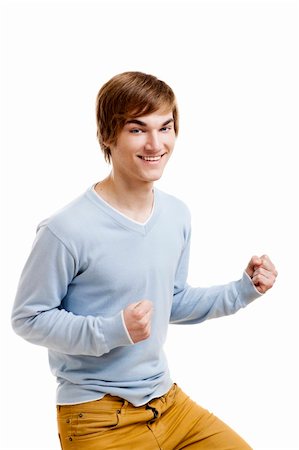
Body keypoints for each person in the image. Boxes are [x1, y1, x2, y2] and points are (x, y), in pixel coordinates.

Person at [11, 71, 277, 450]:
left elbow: (172, 300)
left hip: (168, 404)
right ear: (108, 135)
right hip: (97, 417)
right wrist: (112, 329)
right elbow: (28, 318)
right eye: (137, 130)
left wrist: (243, 290)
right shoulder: (65, 229)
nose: (156, 144)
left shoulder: (176, 214)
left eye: (165, 127)